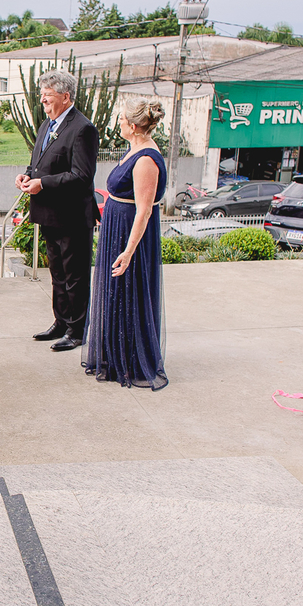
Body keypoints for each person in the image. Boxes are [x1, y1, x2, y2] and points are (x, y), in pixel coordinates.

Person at [83, 98, 169, 390]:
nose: (118, 123)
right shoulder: (136, 149)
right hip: (116, 227)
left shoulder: (145, 159)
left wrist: (129, 251)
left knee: (129, 292)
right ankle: (114, 354)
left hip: (129, 234)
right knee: (116, 293)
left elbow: (144, 210)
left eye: (121, 120)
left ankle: (130, 360)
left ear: (132, 127)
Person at [15, 69, 99, 352]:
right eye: (42, 96)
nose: (43, 102)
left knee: (75, 276)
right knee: (57, 273)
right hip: (49, 213)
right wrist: (27, 176)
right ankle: (61, 322)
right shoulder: (46, 125)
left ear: (65, 96)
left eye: (48, 97)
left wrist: (43, 184)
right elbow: (39, 162)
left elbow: (81, 176)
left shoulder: (82, 128)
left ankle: (77, 330)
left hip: (73, 216)